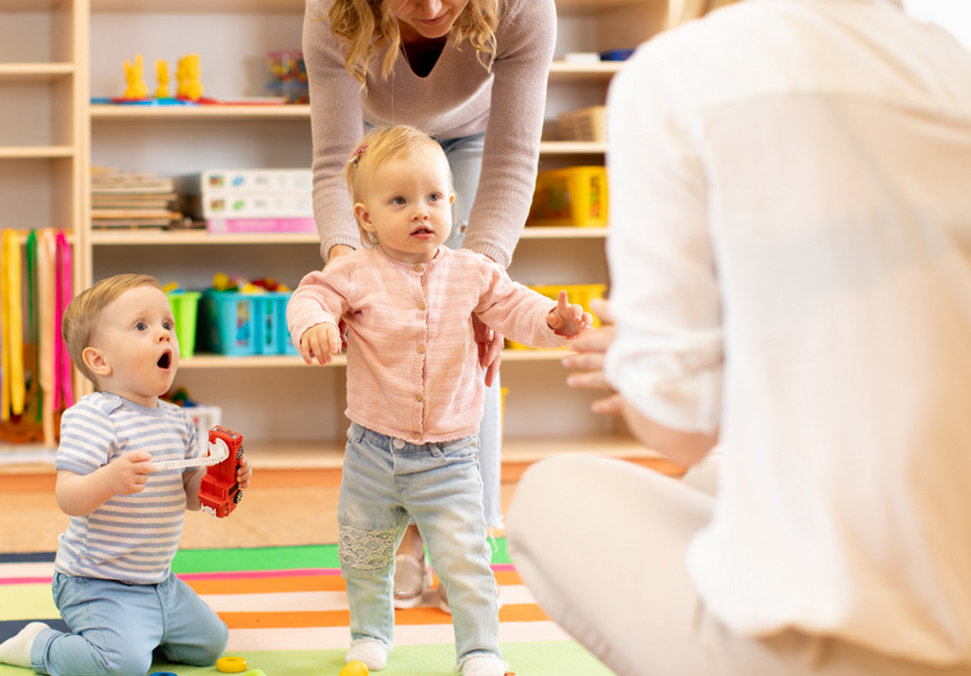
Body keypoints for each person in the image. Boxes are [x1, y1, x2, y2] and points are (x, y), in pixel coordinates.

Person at [507, 0, 971, 674]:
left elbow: (679, 425)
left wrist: (644, 361)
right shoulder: (950, 64)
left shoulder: (677, 74)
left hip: (852, 644)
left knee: (551, 494)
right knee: (714, 476)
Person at [287, 125, 593, 676]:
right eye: (399, 200)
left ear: (452, 203)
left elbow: (516, 307)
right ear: (365, 218)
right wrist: (315, 323)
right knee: (363, 555)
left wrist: (553, 320)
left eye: (433, 197)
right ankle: (370, 636)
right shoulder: (355, 271)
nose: (420, 211)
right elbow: (313, 294)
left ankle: (480, 650)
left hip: (450, 457)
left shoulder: (473, 272)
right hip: (372, 453)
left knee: (466, 560)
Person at [303, 0, 556, 605]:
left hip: (472, 142)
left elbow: (512, 161)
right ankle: (401, 538)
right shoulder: (329, 13)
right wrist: (345, 267)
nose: (435, 7)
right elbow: (333, 160)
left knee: (469, 331)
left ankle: (464, 541)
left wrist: (481, 288)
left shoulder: (522, 9)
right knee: (389, 321)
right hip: (372, 144)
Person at [0, 273, 253, 676]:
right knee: (121, 667)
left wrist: (223, 479)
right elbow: (68, 496)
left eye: (167, 325)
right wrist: (109, 480)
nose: (164, 336)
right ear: (99, 360)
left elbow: (189, 494)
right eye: (142, 326)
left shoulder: (178, 420)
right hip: (95, 582)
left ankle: (141, 630)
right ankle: (39, 645)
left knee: (212, 645)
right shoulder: (93, 416)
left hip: (159, 581)